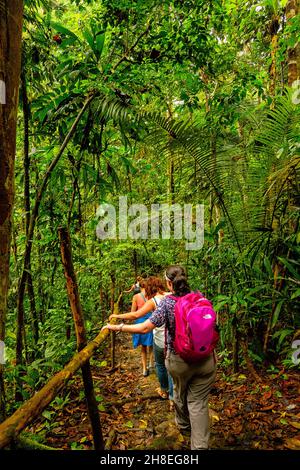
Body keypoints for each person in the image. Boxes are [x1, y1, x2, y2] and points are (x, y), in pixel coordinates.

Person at [102, 265, 217, 450]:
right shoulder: (201, 297)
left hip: (179, 361)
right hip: (206, 359)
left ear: (169, 283)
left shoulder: (167, 303)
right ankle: (200, 447)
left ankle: (184, 426)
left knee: (180, 392)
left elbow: (145, 327)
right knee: (198, 403)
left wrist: (117, 327)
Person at [110, 276, 174, 407]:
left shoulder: (154, 300)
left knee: (161, 365)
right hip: (174, 341)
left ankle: (164, 390)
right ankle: (174, 398)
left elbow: (135, 315)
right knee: (172, 369)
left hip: (161, 340)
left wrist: (117, 316)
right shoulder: (171, 295)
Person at [130, 278, 154, 377]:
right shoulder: (152, 296)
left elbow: (133, 313)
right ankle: (151, 363)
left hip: (140, 322)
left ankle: (144, 369)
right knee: (151, 344)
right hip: (151, 321)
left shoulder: (136, 297)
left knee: (143, 347)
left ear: (140, 287)